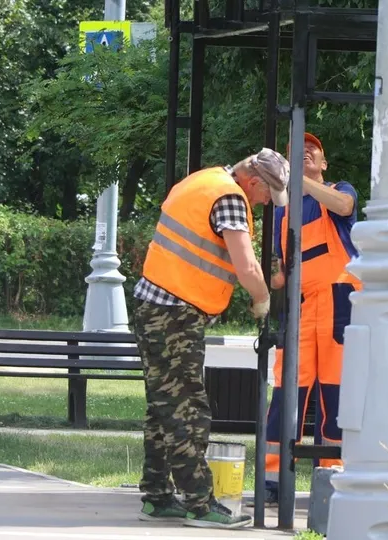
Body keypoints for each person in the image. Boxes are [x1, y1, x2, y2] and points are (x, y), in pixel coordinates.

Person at [132, 149, 289, 529]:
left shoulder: (204, 180)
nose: (266, 202)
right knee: (188, 406)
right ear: (253, 182)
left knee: (164, 405)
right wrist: (262, 298)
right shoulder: (231, 198)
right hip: (174, 312)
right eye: (268, 194)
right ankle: (199, 504)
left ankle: (157, 496)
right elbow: (244, 263)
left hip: (155, 305)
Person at [265, 132, 359, 505]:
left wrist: (299, 179)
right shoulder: (282, 211)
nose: (305, 153)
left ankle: (333, 476)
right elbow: (279, 267)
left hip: (339, 302)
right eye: (296, 153)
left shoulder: (340, 190)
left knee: (336, 392)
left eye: (312, 151)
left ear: (323, 163)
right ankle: (273, 480)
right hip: (300, 306)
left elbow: (345, 206)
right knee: (288, 389)